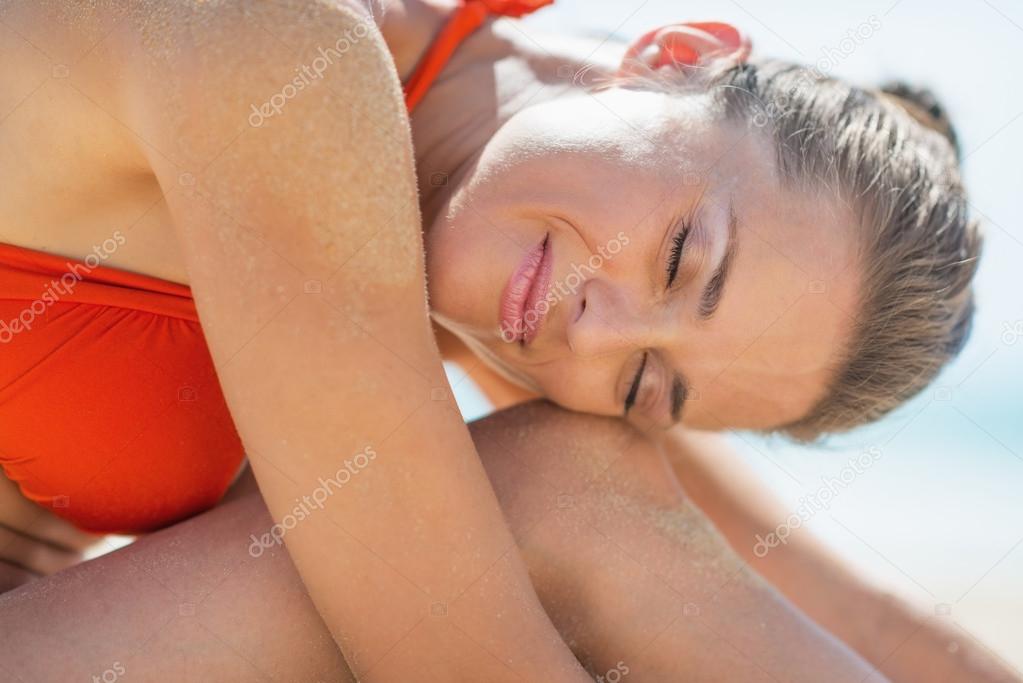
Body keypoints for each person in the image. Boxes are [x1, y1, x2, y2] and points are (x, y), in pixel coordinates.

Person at [0, 0, 1001, 680]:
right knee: (566, 491)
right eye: (684, 253)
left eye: (651, 382)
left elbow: (854, 616)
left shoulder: (496, 247)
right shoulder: (290, 55)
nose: (596, 332)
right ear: (678, 56)